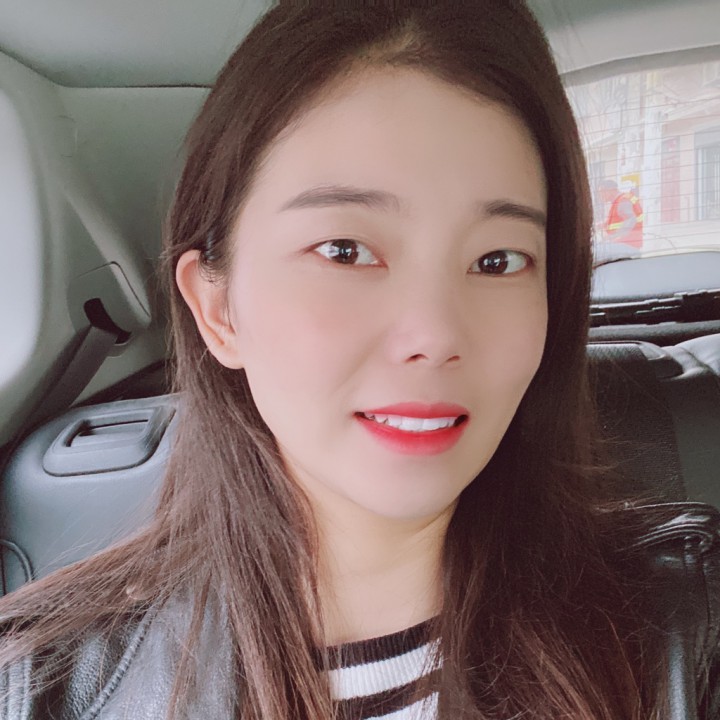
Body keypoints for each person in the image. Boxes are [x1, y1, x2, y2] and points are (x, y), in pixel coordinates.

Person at [1, 3, 719, 719]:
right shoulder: (41, 684)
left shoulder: (686, 630)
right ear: (218, 309)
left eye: (498, 260)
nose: (434, 334)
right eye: (344, 251)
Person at [598, 179, 644, 248]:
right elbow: (620, 220)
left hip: (627, 244)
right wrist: (603, 224)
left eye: (602, 191)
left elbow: (630, 221)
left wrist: (611, 237)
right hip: (626, 243)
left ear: (612, 190)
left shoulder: (623, 201)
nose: (600, 195)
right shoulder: (619, 200)